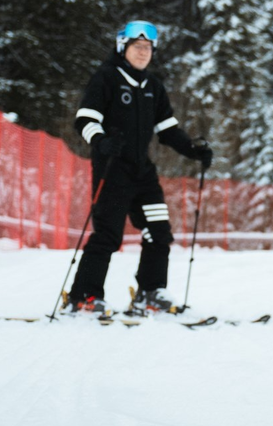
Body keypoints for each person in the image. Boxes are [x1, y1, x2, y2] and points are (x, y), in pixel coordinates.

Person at [65, 20, 212, 316]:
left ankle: (150, 293)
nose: (143, 52)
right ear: (123, 47)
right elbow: (85, 120)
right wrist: (101, 141)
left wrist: (193, 150)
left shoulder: (152, 86)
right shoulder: (107, 77)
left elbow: (168, 129)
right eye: (137, 46)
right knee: (108, 235)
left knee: (158, 231)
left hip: (142, 172)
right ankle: (84, 296)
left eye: (148, 48)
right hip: (112, 170)